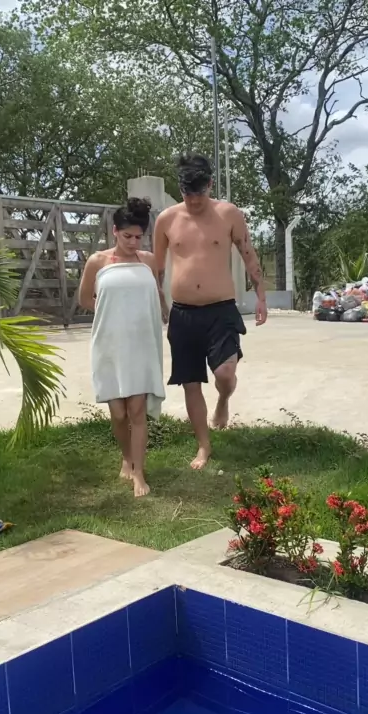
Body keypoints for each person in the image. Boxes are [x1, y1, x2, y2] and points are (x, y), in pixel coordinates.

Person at [154, 153, 268, 470]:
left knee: (225, 375)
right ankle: (204, 446)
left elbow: (248, 253)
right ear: (180, 188)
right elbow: (157, 267)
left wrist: (261, 296)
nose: (193, 200)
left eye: (199, 192)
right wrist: (159, 302)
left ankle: (223, 400)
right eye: (187, 193)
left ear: (210, 185)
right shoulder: (166, 219)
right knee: (191, 382)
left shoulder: (228, 214)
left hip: (221, 310)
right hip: (183, 314)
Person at [79, 198, 167, 497]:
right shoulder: (97, 262)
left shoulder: (148, 261)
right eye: (127, 235)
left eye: (138, 237)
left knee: (137, 410)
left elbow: (154, 294)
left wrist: (162, 312)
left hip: (141, 343)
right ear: (114, 231)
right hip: (110, 343)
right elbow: (85, 299)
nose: (132, 242)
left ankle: (139, 472)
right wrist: (112, 315)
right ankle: (126, 457)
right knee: (118, 413)